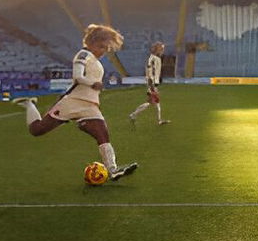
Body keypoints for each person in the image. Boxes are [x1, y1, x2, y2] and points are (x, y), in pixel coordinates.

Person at [12, 24, 138, 180]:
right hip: (72, 102)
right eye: (101, 47)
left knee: (103, 134)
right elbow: (78, 77)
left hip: (90, 105)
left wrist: (94, 87)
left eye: (106, 48)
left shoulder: (96, 61)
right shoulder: (83, 55)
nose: (103, 51)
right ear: (91, 43)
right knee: (37, 130)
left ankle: (113, 170)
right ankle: (29, 104)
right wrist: (92, 84)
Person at [129, 41, 170, 125]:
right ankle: (134, 115)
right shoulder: (152, 59)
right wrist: (152, 85)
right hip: (152, 84)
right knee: (152, 102)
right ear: (157, 49)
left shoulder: (156, 58)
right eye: (161, 49)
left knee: (154, 103)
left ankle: (158, 120)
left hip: (154, 84)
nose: (162, 50)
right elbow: (149, 72)